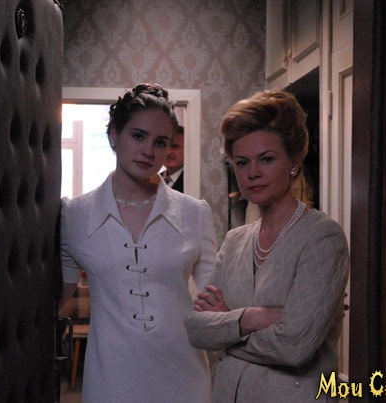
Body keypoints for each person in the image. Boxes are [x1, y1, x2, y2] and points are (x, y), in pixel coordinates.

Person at [184, 90, 349, 402]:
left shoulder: (322, 237)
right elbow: (197, 329)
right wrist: (251, 318)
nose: (253, 173)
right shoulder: (235, 240)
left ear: (294, 162)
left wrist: (227, 325)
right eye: (242, 162)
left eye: (267, 159)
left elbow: (294, 346)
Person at [60, 83, 216, 403]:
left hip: (184, 378)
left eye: (160, 142)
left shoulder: (193, 213)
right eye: (138, 136)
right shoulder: (75, 215)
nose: (148, 150)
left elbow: (218, 302)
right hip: (110, 381)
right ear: (113, 135)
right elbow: (54, 301)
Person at [162, 124, 185, 192]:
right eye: (164, 145)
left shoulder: (190, 181)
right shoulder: (152, 179)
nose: (168, 152)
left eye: (175, 146)